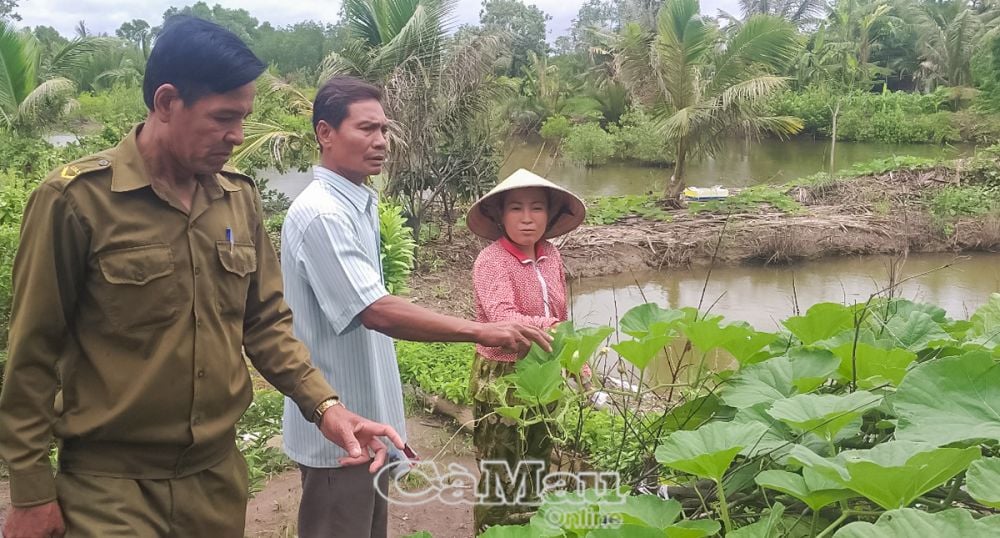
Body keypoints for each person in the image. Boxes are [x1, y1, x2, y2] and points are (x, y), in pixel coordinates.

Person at [0, 17, 402, 538]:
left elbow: (265, 324)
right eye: (223, 118)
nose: (237, 136)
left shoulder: (238, 197)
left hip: (215, 480)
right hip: (111, 486)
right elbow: (33, 352)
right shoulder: (75, 200)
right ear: (166, 102)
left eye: (244, 118)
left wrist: (325, 406)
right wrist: (31, 491)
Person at [279, 76, 553, 538]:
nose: (381, 142)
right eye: (366, 129)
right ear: (325, 133)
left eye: (384, 130)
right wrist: (482, 330)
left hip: (368, 423)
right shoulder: (323, 213)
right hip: (339, 433)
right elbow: (376, 310)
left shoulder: (355, 203)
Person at [466, 168, 588, 531]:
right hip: (503, 379)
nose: (526, 218)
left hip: (545, 373)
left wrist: (576, 363)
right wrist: (553, 331)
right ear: (499, 215)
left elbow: (562, 314)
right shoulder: (491, 261)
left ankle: (532, 529)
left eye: (536, 208)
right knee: (501, 474)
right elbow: (503, 318)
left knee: (537, 464)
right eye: (516, 208)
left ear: (550, 214)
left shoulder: (551, 255)